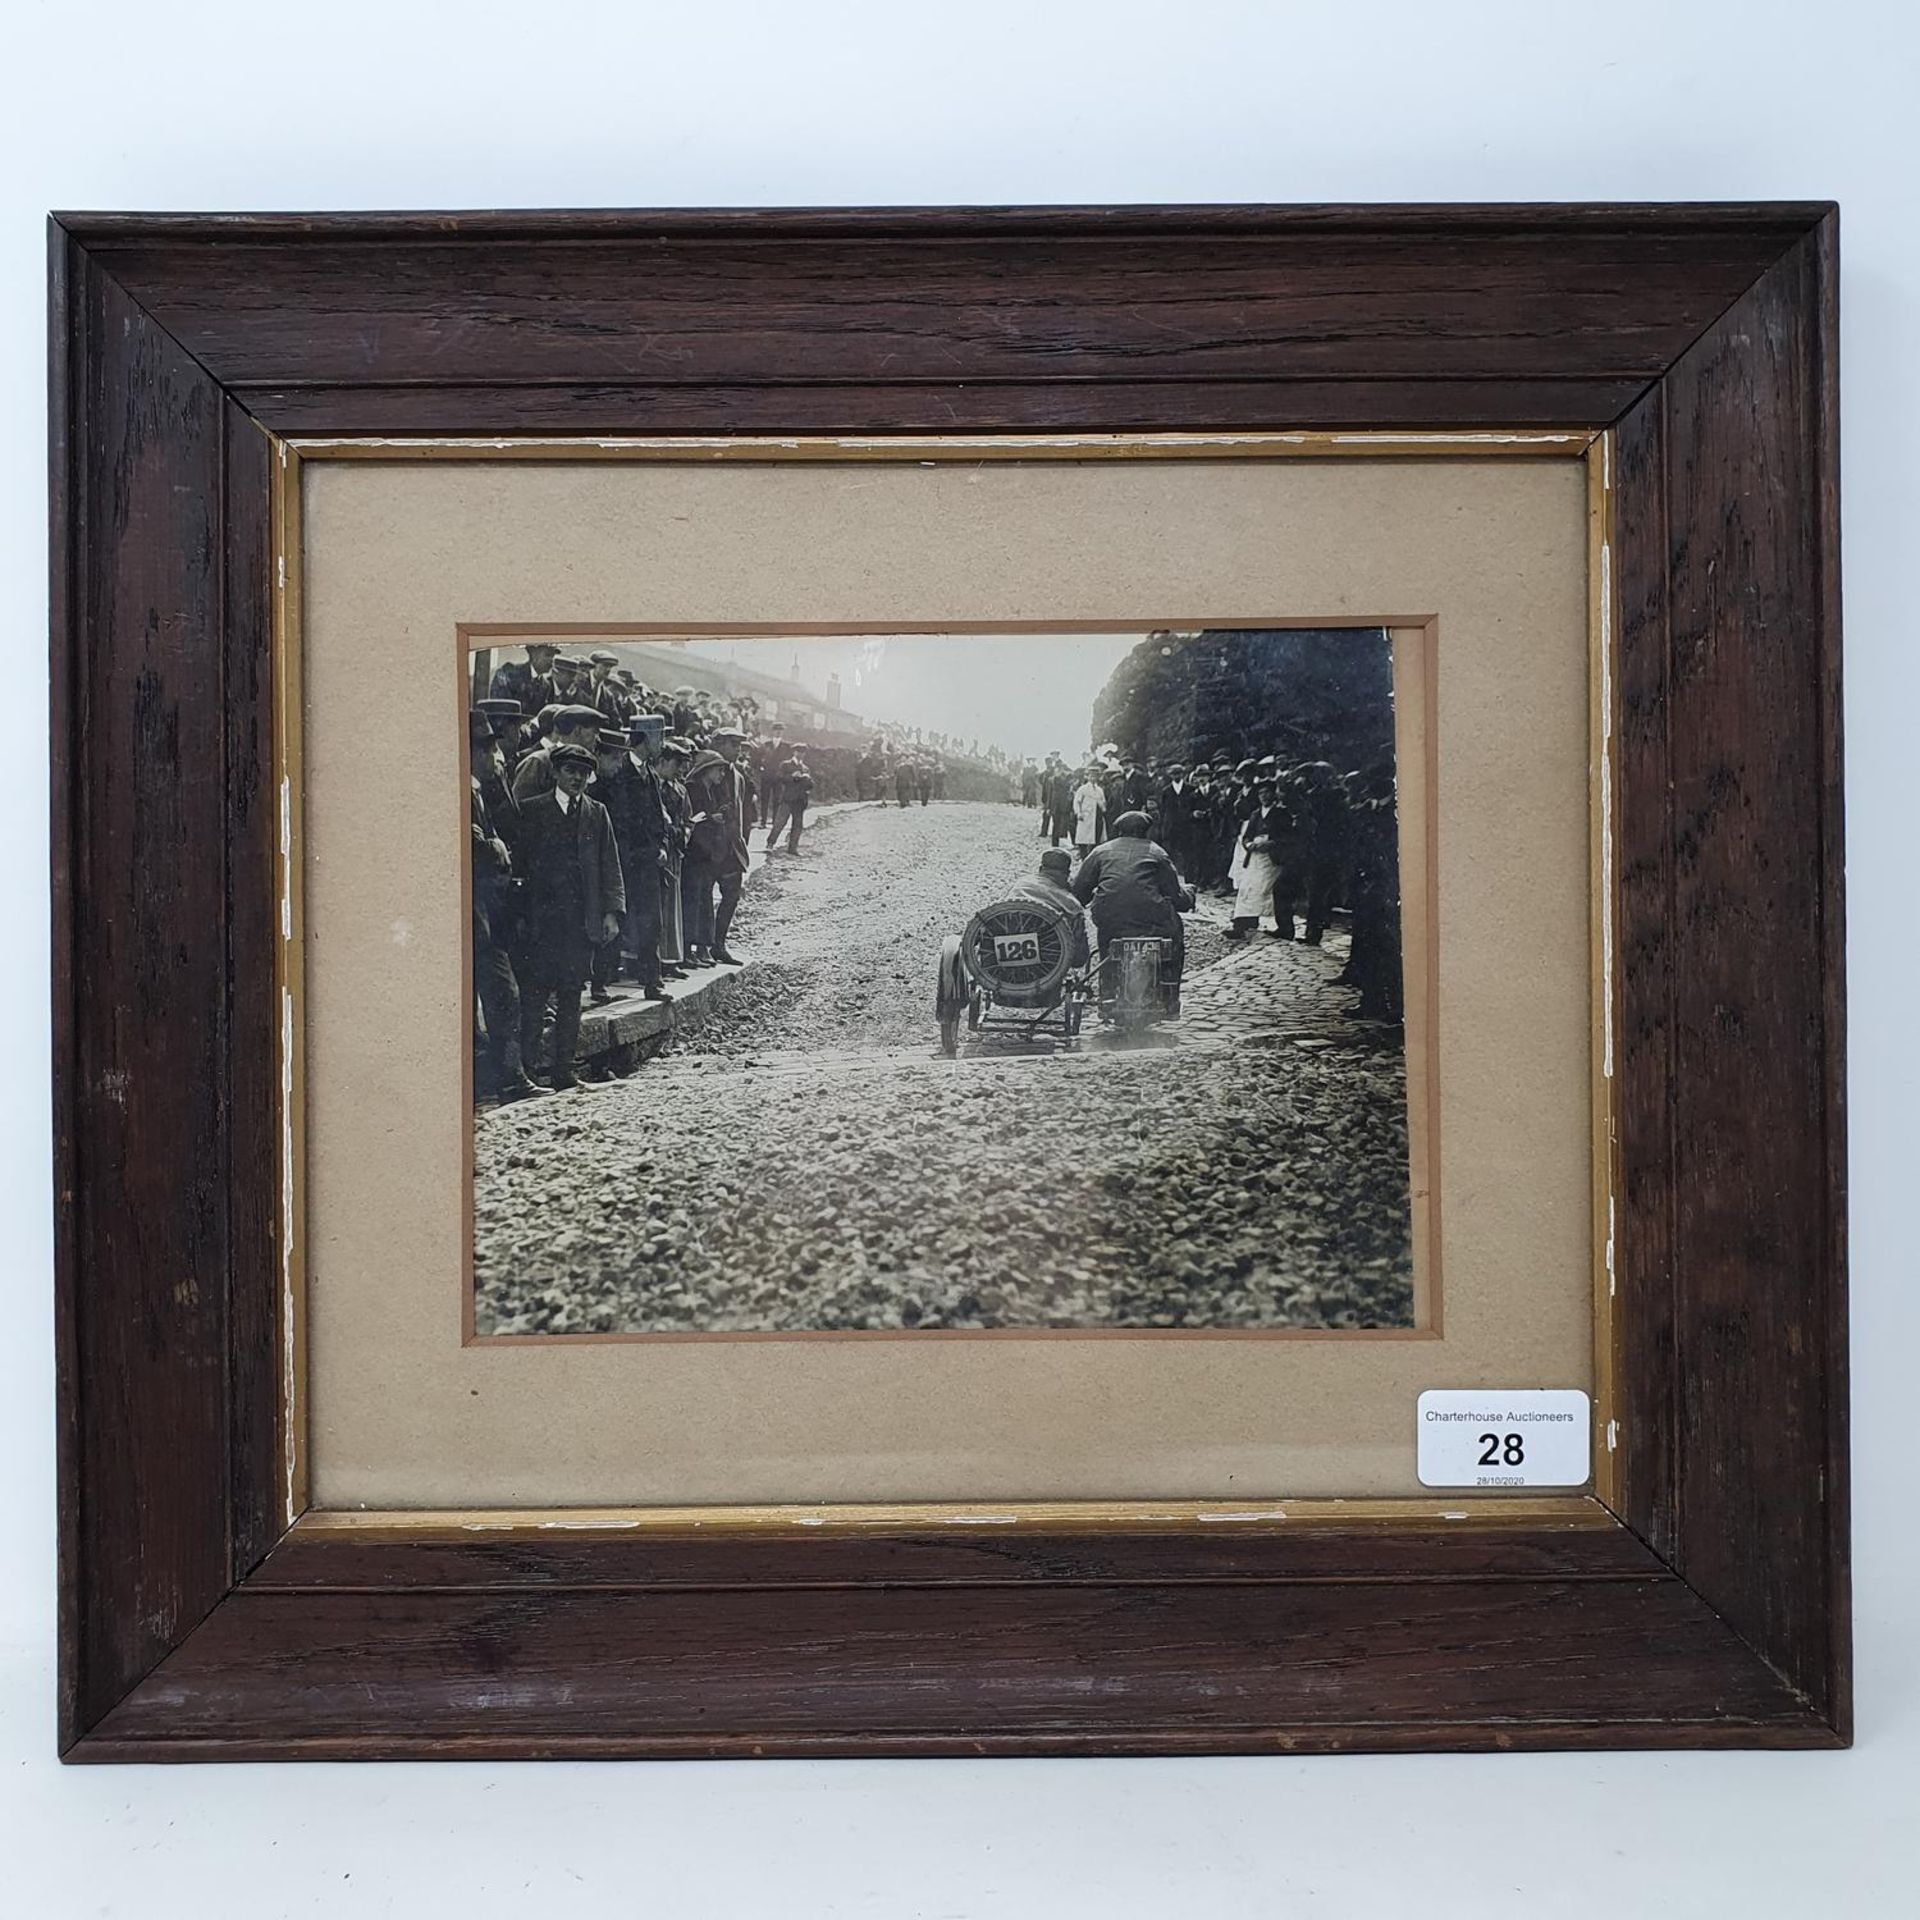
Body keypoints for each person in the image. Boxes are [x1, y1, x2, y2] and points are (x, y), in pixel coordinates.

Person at [514, 742, 625, 1091]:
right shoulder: (531, 811)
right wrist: (520, 917)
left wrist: (612, 912)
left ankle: (565, 1071)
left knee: (571, 994)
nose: (577, 778)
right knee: (534, 996)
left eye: (583, 772)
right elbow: (520, 867)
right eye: (570, 771)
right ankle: (528, 1071)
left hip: (581, 921)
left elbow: (611, 864)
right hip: (541, 922)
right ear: (556, 773)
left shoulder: (596, 812)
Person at [469, 712, 545, 1104]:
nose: (498, 756)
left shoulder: (479, 788)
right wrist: (491, 845)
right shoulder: (463, 791)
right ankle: (510, 1081)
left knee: (498, 995)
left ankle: (505, 1079)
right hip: (475, 916)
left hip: (486, 914)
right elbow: (477, 845)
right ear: (474, 752)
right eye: (491, 748)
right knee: (503, 994)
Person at [590, 717, 672, 1002]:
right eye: (659, 736)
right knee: (615, 920)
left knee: (652, 923)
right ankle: (600, 983)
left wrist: (661, 846)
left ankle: (652, 982)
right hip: (623, 863)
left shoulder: (650, 774)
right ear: (645, 738)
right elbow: (614, 823)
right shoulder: (617, 774)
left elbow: (658, 819)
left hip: (648, 864)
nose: (661, 742)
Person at [1070, 810, 1191, 984]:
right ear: (1146, 831)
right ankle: (1169, 989)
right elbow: (1175, 896)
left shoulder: (1100, 852)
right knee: (1174, 938)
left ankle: (1109, 990)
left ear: (1119, 830)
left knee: (1107, 944)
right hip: (1151, 921)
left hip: (1111, 919)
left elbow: (1080, 892)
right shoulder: (1157, 853)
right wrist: (1189, 895)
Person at [682, 726, 754, 967]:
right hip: (709, 847)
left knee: (732, 895)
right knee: (702, 897)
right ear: (718, 744)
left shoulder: (739, 776)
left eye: (740, 746)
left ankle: (718, 945)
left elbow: (742, 813)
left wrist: (742, 839)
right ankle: (701, 946)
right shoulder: (705, 772)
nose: (737, 750)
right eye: (733, 745)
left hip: (732, 846)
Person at [1011, 847, 1091, 970]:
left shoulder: (1020, 885)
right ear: (1067, 874)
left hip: (1005, 960)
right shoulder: (1071, 905)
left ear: (1040, 869)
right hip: (1048, 966)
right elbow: (1079, 959)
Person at [511, 704, 604, 802]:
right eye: (595, 732)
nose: (598, 739)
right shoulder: (539, 762)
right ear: (578, 730)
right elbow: (521, 809)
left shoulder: (587, 767)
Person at [656, 735, 693, 978]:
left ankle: (670, 959)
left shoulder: (679, 790)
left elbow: (687, 818)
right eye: (676, 764)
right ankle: (652, 961)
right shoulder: (651, 785)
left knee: (672, 905)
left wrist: (685, 832)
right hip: (657, 851)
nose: (680, 770)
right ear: (662, 761)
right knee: (655, 907)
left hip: (674, 851)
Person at [488, 641, 560, 717]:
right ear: (534, 654)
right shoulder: (510, 673)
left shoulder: (546, 686)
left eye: (553, 656)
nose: (551, 660)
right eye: (547, 655)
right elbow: (498, 707)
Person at [1070, 765, 1106, 857]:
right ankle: (1083, 857)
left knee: (1096, 838)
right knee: (1083, 839)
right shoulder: (1083, 789)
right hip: (1086, 817)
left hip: (1097, 817)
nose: (1093, 778)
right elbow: (1077, 802)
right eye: (1091, 776)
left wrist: (1103, 809)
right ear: (1088, 776)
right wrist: (1078, 813)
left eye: (1095, 776)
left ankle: (1093, 857)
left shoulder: (1099, 790)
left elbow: (1103, 802)